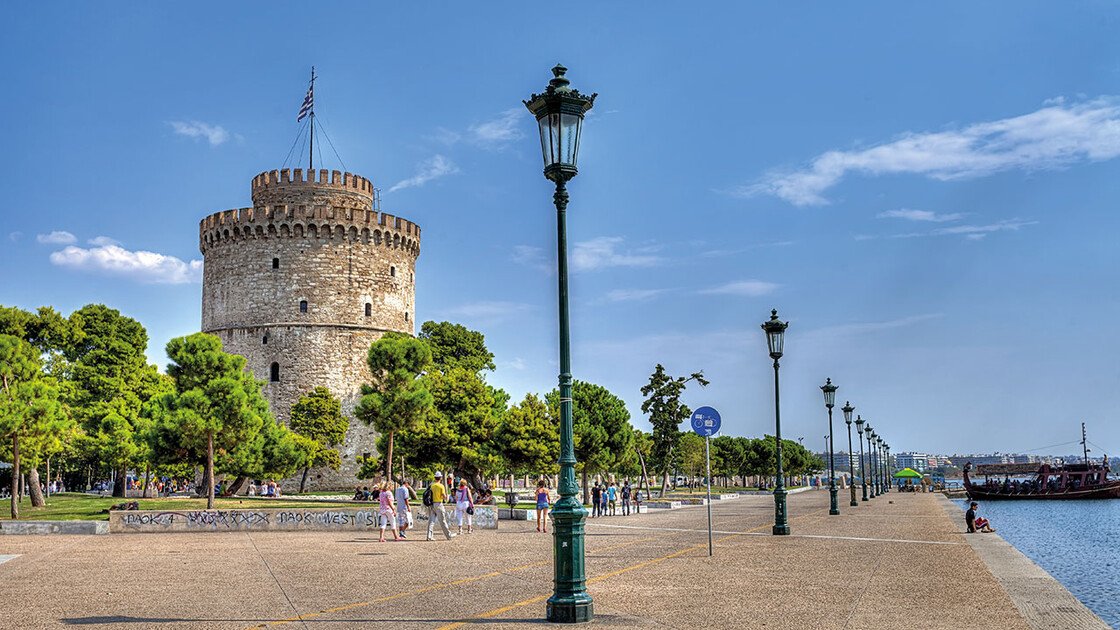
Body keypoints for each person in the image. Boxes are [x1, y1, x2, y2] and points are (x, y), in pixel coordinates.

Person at [426, 471, 454, 541]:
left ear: (435, 477)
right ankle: (448, 535)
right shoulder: (441, 486)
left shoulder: (432, 485)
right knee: (442, 521)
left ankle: (429, 536)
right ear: (440, 478)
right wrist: (445, 498)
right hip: (438, 504)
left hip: (432, 504)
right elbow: (444, 496)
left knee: (431, 521)